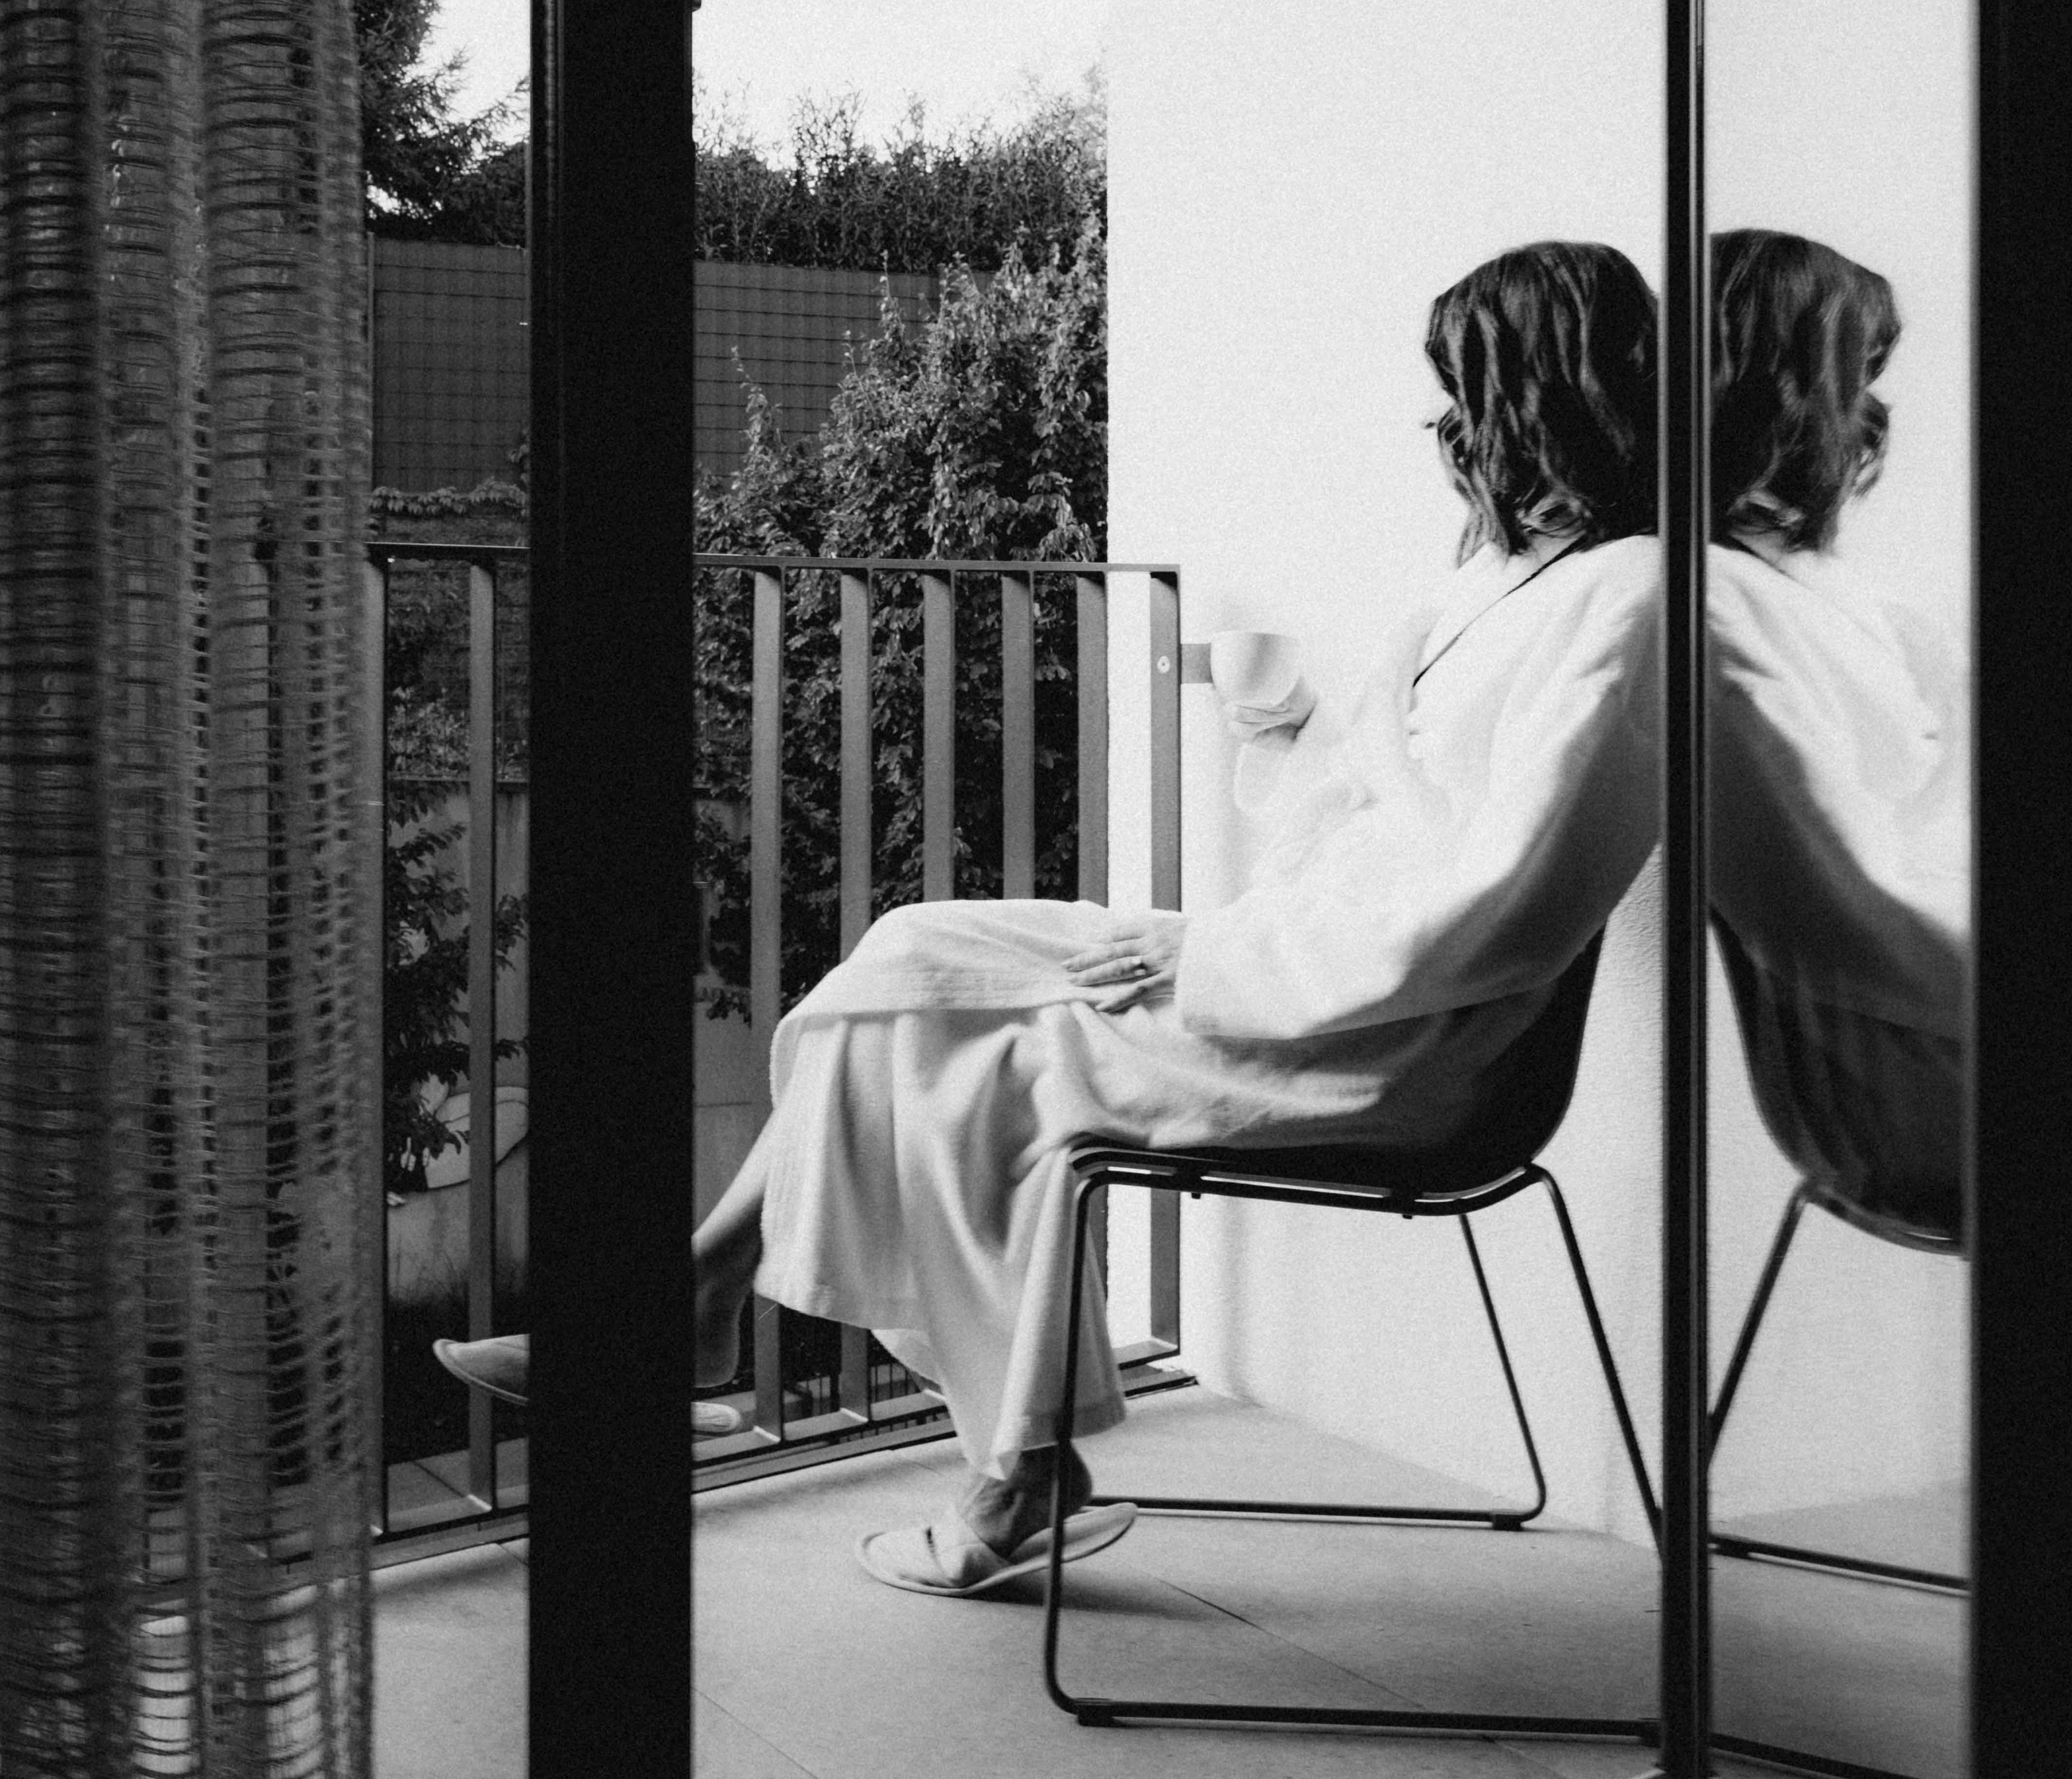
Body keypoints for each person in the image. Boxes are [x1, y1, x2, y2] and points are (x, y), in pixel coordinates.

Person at [439, 240, 1667, 1595]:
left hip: (1412, 1044)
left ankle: (959, 1448)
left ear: (1541, 400)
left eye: (1464, 394)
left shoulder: (1630, 606)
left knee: (968, 1066)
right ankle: (710, 1317)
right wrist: (1274, 766)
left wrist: (1207, 952)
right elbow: (1363, 809)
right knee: (909, 954)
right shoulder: (1483, 586)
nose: (1441, 426)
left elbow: (1510, 906)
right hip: (1295, 972)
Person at [1703, 229, 1965, 1239]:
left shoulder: (1833, 604)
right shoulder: (1725, 617)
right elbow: (1849, 909)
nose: (1875, 413)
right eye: (1861, 374)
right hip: (1910, 1089)